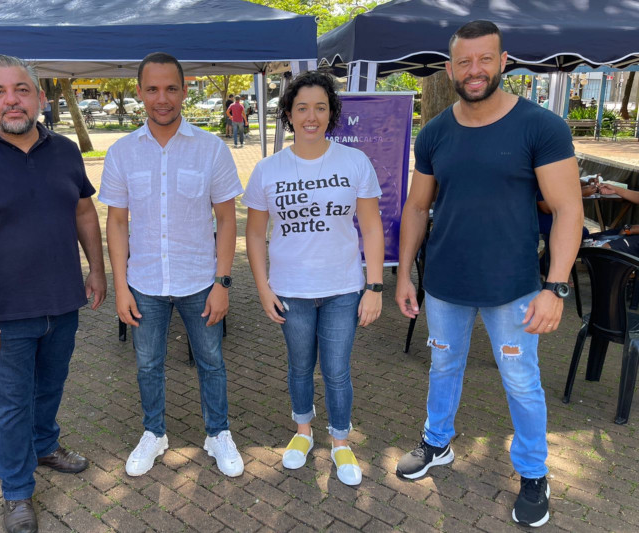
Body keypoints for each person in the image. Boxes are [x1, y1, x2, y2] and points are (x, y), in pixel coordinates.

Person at [394, 20, 583, 528]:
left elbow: (568, 210)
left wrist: (556, 287)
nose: (473, 70)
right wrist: (405, 275)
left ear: (503, 62)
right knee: (442, 370)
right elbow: (416, 208)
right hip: (445, 287)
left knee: (521, 384)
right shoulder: (433, 133)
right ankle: (438, 443)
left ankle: (534, 473)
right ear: (450, 67)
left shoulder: (541, 127)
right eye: (463, 61)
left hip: (514, 289)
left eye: (484, 59)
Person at [0, 54, 107, 533]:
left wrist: (97, 270)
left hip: (61, 303)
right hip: (1, 314)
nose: (12, 100)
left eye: (22, 89)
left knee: (49, 389)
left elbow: (84, 214)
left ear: (40, 97)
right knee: (10, 406)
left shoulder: (66, 151)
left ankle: (45, 446)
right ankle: (15, 491)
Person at [99, 52, 245, 479]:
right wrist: (121, 287)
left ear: (184, 90)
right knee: (147, 364)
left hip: (200, 279)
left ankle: (218, 434)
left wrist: (223, 282)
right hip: (144, 282)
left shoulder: (211, 149)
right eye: (152, 89)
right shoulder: (123, 153)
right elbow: (118, 222)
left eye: (170, 88)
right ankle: (154, 433)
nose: (162, 98)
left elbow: (226, 218)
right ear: (140, 92)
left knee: (211, 361)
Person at [244, 71, 385, 486]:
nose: (311, 116)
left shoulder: (354, 161)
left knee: (338, 370)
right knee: (300, 366)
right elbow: (254, 233)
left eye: (320, 107)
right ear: (288, 113)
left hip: (343, 287)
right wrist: (263, 287)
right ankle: (303, 432)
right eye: (302, 107)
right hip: (291, 289)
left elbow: (372, 227)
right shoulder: (268, 169)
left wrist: (374, 286)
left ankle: (340, 441)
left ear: (331, 112)